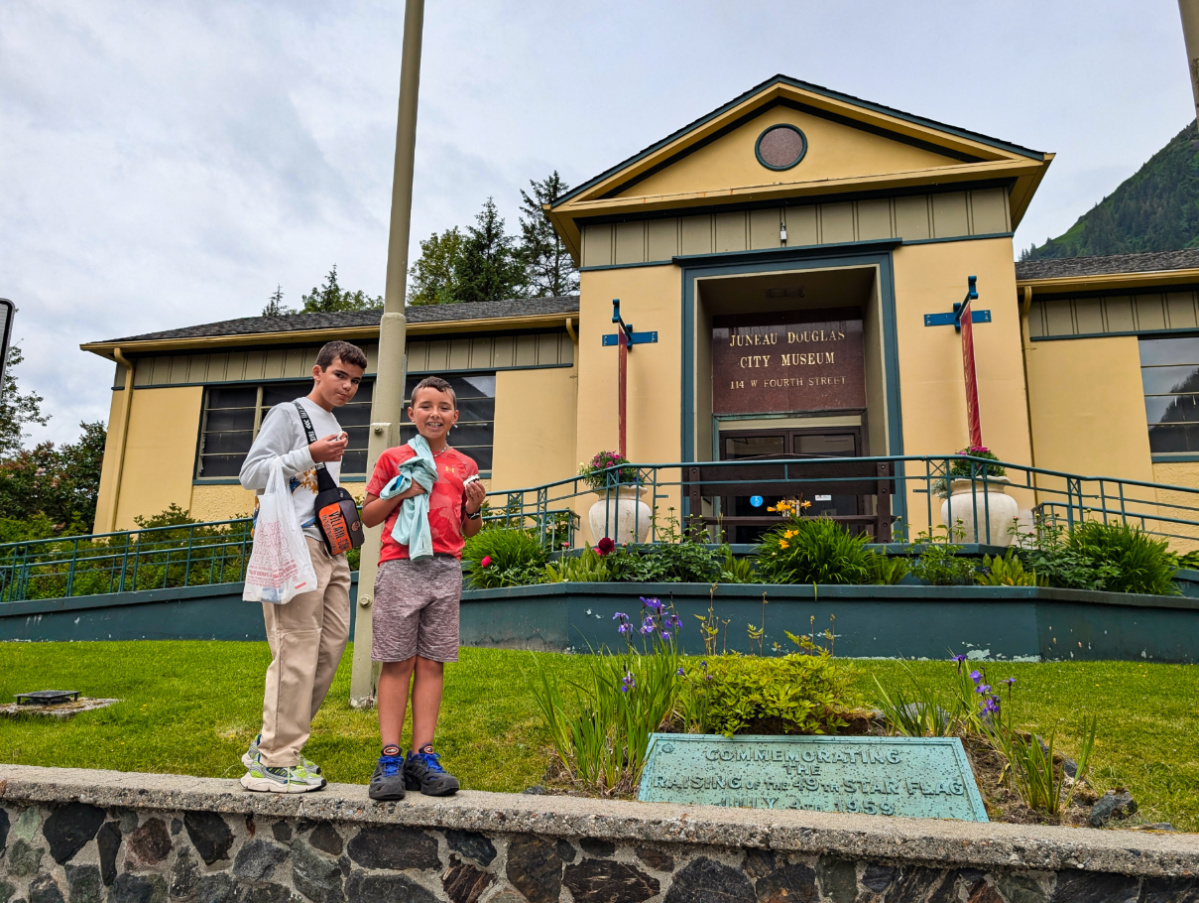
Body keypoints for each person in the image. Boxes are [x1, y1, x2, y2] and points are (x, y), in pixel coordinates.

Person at [237, 340, 368, 793]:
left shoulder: (331, 422)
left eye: (355, 380)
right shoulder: (288, 413)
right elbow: (252, 473)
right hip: (295, 543)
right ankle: (275, 759)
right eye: (340, 376)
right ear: (318, 371)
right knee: (296, 648)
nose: (348, 386)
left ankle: (267, 743)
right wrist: (309, 454)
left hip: (331, 546)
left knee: (329, 648)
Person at [361, 375, 486, 801]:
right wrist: (404, 491)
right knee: (397, 661)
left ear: (454, 416)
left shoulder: (466, 466)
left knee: (433, 662)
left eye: (444, 407)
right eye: (426, 405)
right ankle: (390, 757)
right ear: (411, 413)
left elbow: (469, 530)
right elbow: (369, 516)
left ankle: (423, 755)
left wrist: (474, 508)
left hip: (445, 569)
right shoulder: (393, 458)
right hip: (400, 566)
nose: (435, 413)